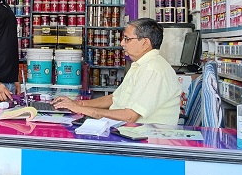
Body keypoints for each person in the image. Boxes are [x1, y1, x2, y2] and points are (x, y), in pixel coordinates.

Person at [53, 18, 181, 125]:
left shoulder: (153, 70)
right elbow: (114, 99)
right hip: (126, 131)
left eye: (127, 39)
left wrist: (82, 109)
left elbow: (129, 116)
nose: (122, 43)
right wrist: (77, 103)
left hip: (142, 140)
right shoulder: (140, 65)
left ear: (145, 43)